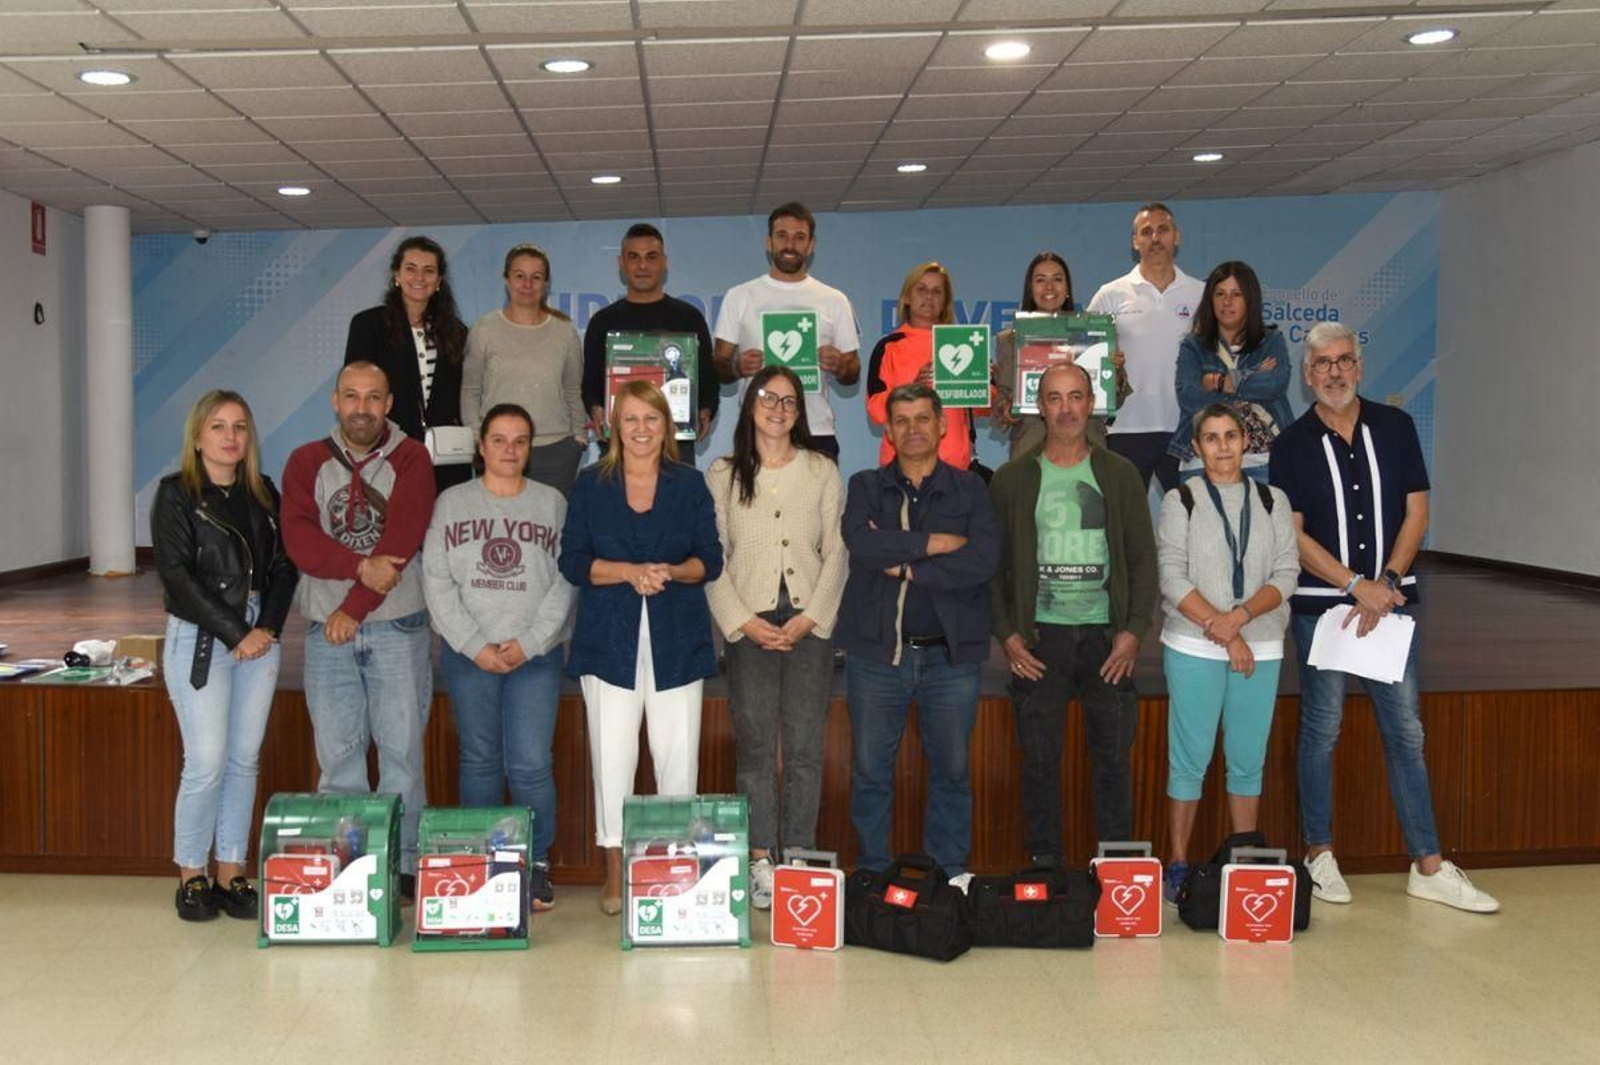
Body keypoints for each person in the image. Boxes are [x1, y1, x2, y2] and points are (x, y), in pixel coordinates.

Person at [1269, 322, 1499, 913]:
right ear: (1307, 374)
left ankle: (1428, 864)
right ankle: (1320, 855)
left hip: (1391, 608)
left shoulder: (1395, 428)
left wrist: (1386, 584)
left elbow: (1417, 511)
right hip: (1323, 613)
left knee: (1407, 734)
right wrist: (1354, 587)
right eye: (1322, 363)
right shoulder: (1291, 444)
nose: (1335, 372)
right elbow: (1291, 537)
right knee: (1321, 733)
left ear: (1360, 367)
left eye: (1344, 360)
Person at [559, 380, 723, 914]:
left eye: (651, 419)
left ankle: (674, 868)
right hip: (608, 639)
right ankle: (615, 872)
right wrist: (628, 573)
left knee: (678, 759)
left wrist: (670, 572)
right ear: (612, 426)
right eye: (630, 420)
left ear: (666, 425)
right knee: (613, 758)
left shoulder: (690, 484)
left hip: (677, 636)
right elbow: (573, 561)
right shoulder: (589, 485)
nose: (641, 430)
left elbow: (710, 561)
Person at [990, 362, 1157, 860]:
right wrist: (1009, 636)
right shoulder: (1011, 479)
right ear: (1039, 407)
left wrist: (1133, 633)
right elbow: (994, 568)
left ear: (1092, 403)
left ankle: (1120, 870)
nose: (1066, 408)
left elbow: (1142, 558)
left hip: (1108, 640)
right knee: (1039, 763)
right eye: (1055, 398)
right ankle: (1047, 870)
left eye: (1077, 396)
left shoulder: (1120, 474)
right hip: (1040, 640)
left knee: (1112, 761)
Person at [281, 361, 437, 893]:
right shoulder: (305, 462)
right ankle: (349, 867)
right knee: (339, 758)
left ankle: (406, 865)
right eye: (352, 397)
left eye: (374, 398)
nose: (362, 408)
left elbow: (402, 536)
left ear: (389, 404)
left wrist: (354, 607)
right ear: (334, 401)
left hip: (397, 626)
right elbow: (300, 540)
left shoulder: (413, 458)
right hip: (328, 632)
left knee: (402, 755)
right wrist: (355, 572)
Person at [837, 383, 999, 884]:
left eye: (922, 419)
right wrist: (934, 543)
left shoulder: (971, 488)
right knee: (869, 774)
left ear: (942, 425)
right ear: (887, 430)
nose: (912, 429)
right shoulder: (865, 485)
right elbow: (862, 543)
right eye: (901, 420)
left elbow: (981, 560)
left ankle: (949, 875)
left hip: (950, 660)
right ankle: (873, 873)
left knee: (951, 772)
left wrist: (909, 568)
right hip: (876, 657)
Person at [422, 403, 575, 911]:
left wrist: (530, 642)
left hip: (535, 656)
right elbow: (437, 580)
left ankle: (533, 864)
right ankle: (484, 861)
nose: (510, 450)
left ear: (530, 449)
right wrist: (473, 645)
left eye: (520, 441)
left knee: (531, 764)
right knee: (480, 759)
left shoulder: (552, 503)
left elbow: (565, 580)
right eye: (500, 439)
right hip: (471, 656)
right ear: (481, 445)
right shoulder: (452, 502)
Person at [153, 391, 298, 922]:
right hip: (204, 637)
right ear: (198, 437)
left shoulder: (264, 493)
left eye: (240, 426)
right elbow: (176, 579)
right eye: (218, 426)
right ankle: (192, 873)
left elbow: (285, 569)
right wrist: (239, 633)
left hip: (259, 635)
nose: (231, 437)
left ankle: (231, 870)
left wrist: (268, 627)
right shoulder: (177, 495)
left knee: (243, 759)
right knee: (207, 761)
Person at [705, 365, 847, 909]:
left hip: (809, 623)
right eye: (768, 397)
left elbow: (837, 551)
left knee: (807, 749)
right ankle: (762, 859)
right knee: (757, 749)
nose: (778, 408)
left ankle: (802, 858)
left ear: (800, 411)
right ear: (750, 404)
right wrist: (741, 621)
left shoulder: (821, 470)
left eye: (789, 401)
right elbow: (713, 555)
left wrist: (812, 617)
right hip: (750, 622)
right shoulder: (722, 473)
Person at [1156, 404, 1299, 903]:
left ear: (1246, 442)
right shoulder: (1181, 500)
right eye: (1211, 438)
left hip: (1260, 645)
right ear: (1195, 447)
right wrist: (1224, 630)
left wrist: (1237, 622)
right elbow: (1172, 577)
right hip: (1193, 643)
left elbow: (1286, 573)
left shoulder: (1272, 499)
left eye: (1230, 436)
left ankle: (1245, 861)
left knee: (1246, 760)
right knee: (1189, 761)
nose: (1221, 446)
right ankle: (1177, 863)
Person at [713, 201, 860, 459]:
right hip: (759, 427)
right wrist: (737, 367)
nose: (790, 245)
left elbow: (853, 372)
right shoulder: (739, 296)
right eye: (782, 236)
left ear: (811, 245)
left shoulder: (834, 299)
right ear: (769, 242)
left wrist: (840, 366)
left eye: (799, 237)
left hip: (816, 428)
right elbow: (718, 364)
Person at [1087, 202, 1205, 493]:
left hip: (1184, 426)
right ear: (1135, 241)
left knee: (1192, 519)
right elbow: (1084, 358)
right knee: (1125, 526)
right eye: (1146, 231)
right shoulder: (1110, 294)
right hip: (1125, 428)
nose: (1155, 238)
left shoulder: (1200, 293)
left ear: (1176, 236)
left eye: (1163, 230)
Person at [581, 223, 721, 464]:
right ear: (621, 263)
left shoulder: (689, 317)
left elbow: (708, 377)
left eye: (651, 257)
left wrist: (706, 409)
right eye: (633, 257)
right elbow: (590, 382)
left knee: (677, 502)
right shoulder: (602, 321)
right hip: (619, 444)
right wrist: (595, 408)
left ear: (664, 262)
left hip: (676, 444)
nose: (642, 266)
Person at [343, 235, 471, 493]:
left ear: (439, 281)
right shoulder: (368, 325)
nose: (419, 277)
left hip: (444, 459)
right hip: (387, 451)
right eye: (410, 268)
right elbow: (357, 391)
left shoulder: (456, 332)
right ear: (396, 275)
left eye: (429, 271)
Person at [462, 244, 587, 496]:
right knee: (500, 531)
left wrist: (578, 438)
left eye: (536, 277)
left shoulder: (565, 332)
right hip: (500, 449)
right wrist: (477, 437)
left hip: (556, 452)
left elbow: (573, 390)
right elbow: (470, 389)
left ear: (546, 283)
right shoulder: (484, 329)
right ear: (507, 280)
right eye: (519, 276)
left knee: (551, 531)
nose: (527, 284)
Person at [993, 251, 1129, 458]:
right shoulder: (1009, 340)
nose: (1049, 287)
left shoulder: (1097, 332)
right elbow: (1002, 404)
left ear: (1067, 289)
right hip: (1031, 452)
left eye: (1057, 279)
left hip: (1087, 448)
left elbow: (1114, 402)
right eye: (1040, 280)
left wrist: (1115, 372)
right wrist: (1007, 409)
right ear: (1030, 289)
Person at [1170, 261, 1291, 483]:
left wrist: (1221, 383)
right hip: (1201, 462)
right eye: (1220, 294)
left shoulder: (1271, 341)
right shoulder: (1193, 346)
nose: (1227, 302)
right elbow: (1189, 398)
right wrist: (1252, 377)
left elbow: (1275, 383)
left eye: (1236, 294)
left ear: (1250, 299)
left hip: (1264, 462)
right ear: (1210, 300)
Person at [865, 261, 987, 470]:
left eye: (937, 291)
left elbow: (984, 408)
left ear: (945, 301)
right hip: (900, 467)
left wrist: (982, 383)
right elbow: (876, 411)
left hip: (955, 466)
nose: (929, 297)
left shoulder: (964, 342)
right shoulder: (888, 346)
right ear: (907, 297)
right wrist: (911, 388)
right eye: (921, 289)